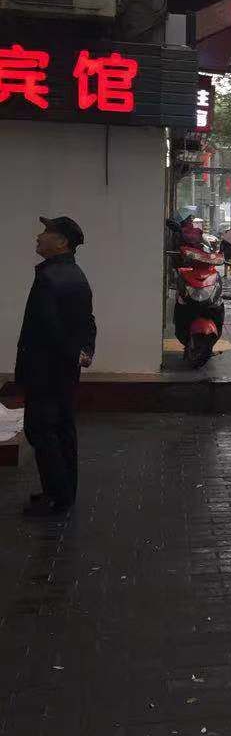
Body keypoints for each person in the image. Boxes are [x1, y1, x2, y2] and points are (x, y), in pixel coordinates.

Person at [14, 216, 96, 517]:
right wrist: (83, 352)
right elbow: (88, 322)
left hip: (45, 369)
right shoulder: (75, 274)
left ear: (61, 242)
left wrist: (65, 354)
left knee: (41, 430)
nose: (39, 236)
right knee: (61, 428)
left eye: (46, 232)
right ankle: (62, 492)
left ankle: (57, 497)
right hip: (62, 369)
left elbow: (48, 328)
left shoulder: (50, 277)